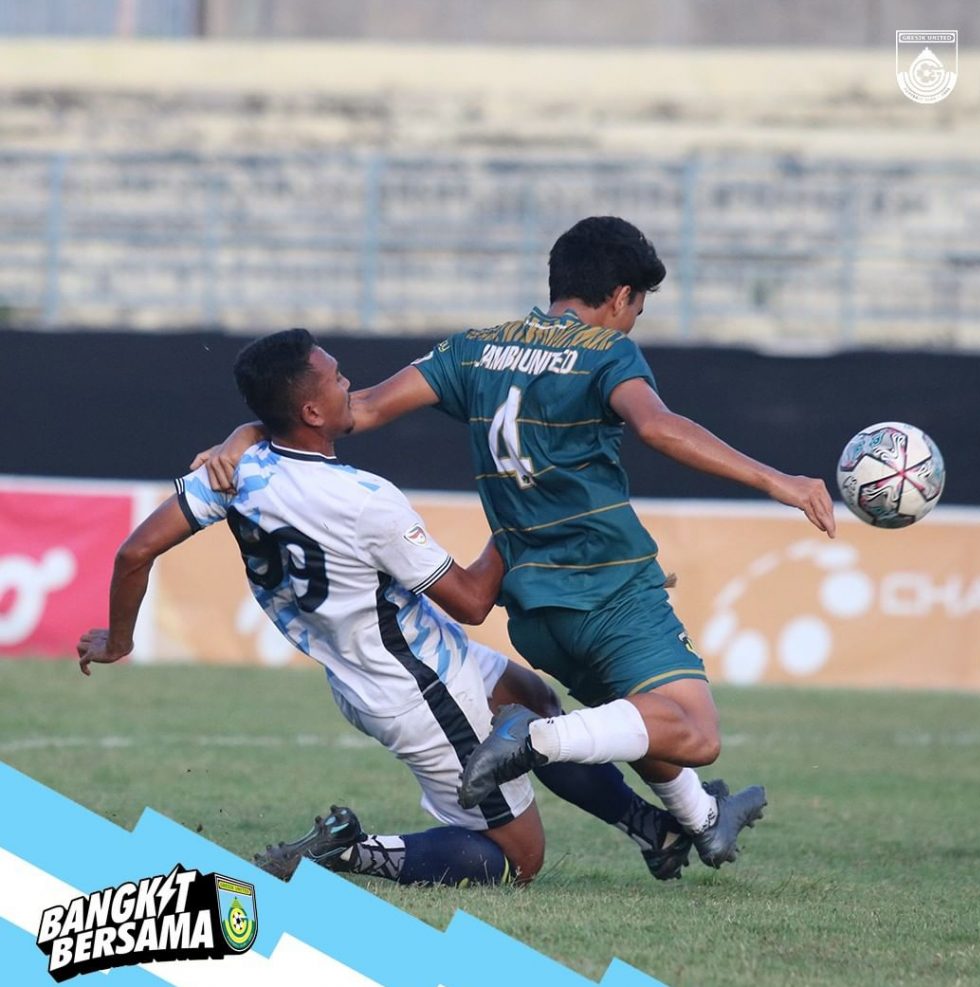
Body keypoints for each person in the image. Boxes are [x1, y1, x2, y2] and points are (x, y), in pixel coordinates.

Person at [199, 216, 837, 869]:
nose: (631, 325)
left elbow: (346, 410)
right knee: (695, 731)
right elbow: (657, 427)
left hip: (533, 611)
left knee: (638, 716)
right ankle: (537, 737)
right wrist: (776, 479)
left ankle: (700, 821)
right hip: (609, 587)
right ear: (620, 295)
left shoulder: (475, 350)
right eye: (637, 310)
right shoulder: (604, 352)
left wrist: (243, 436)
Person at [78, 327, 721, 889]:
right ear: (311, 410)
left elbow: (135, 552)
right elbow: (471, 600)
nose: (348, 385)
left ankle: (651, 829)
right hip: (417, 685)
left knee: (533, 699)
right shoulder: (365, 501)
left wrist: (119, 639)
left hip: (383, 661)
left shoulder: (234, 469)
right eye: (336, 379)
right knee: (520, 859)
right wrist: (525, 520)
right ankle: (350, 851)